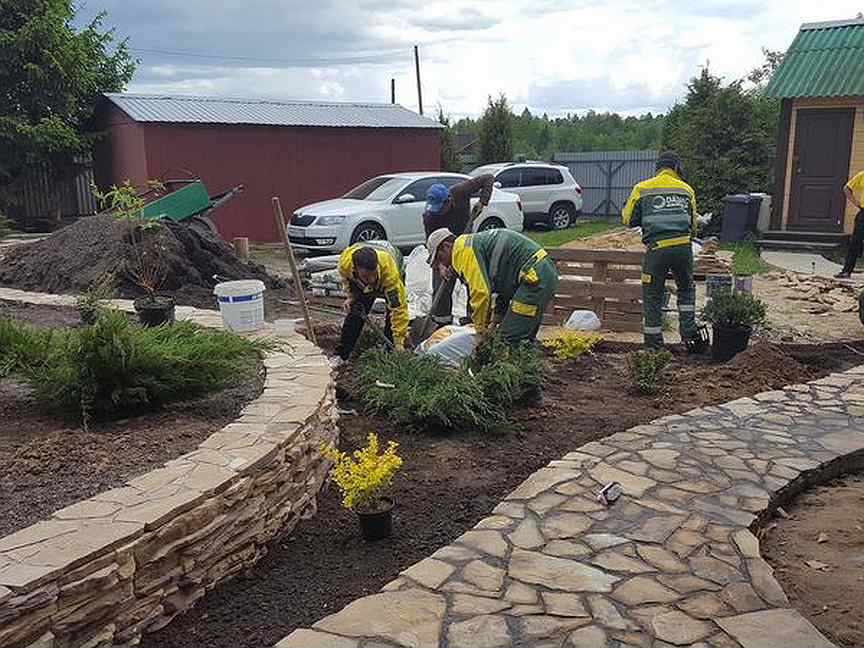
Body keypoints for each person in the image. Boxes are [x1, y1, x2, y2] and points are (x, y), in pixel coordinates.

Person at [622, 151, 705, 351]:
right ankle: (689, 335)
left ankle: (654, 347)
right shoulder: (687, 190)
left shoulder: (642, 188)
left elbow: (628, 220)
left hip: (657, 250)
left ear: (658, 168)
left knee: (652, 297)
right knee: (686, 289)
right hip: (683, 249)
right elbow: (694, 226)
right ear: (677, 168)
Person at [426, 227, 559, 345]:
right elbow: (504, 284)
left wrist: (480, 331)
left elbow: (480, 292)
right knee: (523, 335)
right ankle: (528, 367)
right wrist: (496, 319)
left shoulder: (462, 251)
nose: (442, 264)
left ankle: (513, 370)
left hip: (534, 278)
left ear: (447, 246)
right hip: (539, 274)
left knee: (509, 338)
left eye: (439, 258)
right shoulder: (470, 245)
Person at [423, 174, 495, 327]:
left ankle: (472, 319)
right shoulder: (430, 216)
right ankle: (442, 323)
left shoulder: (460, 191)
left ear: (449, 200)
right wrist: (441, 266)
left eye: (440, 208)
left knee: (473, 281)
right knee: (440, 285)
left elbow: (488, 178)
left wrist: (483, 202)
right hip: (444, 248)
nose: (438, 212)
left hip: (466, 244)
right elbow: (431, 245)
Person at [335, 240, 408, 362]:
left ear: (377, 267)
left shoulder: (390, 275)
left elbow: (398, 309)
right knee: (355, 312)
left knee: (391, 316)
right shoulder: (346, 263)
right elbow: (346, 278)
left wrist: (399, 342)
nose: (371, 279)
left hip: (392, 266)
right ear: (356, 269)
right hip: (361, 275)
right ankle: (343, 354)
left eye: (373, 274)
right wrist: (351, 296)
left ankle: (389, 355)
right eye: (366, 276)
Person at [834, 169, 864, 279]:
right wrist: (857, 203)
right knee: (855, 242)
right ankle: (846, 271)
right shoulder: (862, 175)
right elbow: (846, 189)